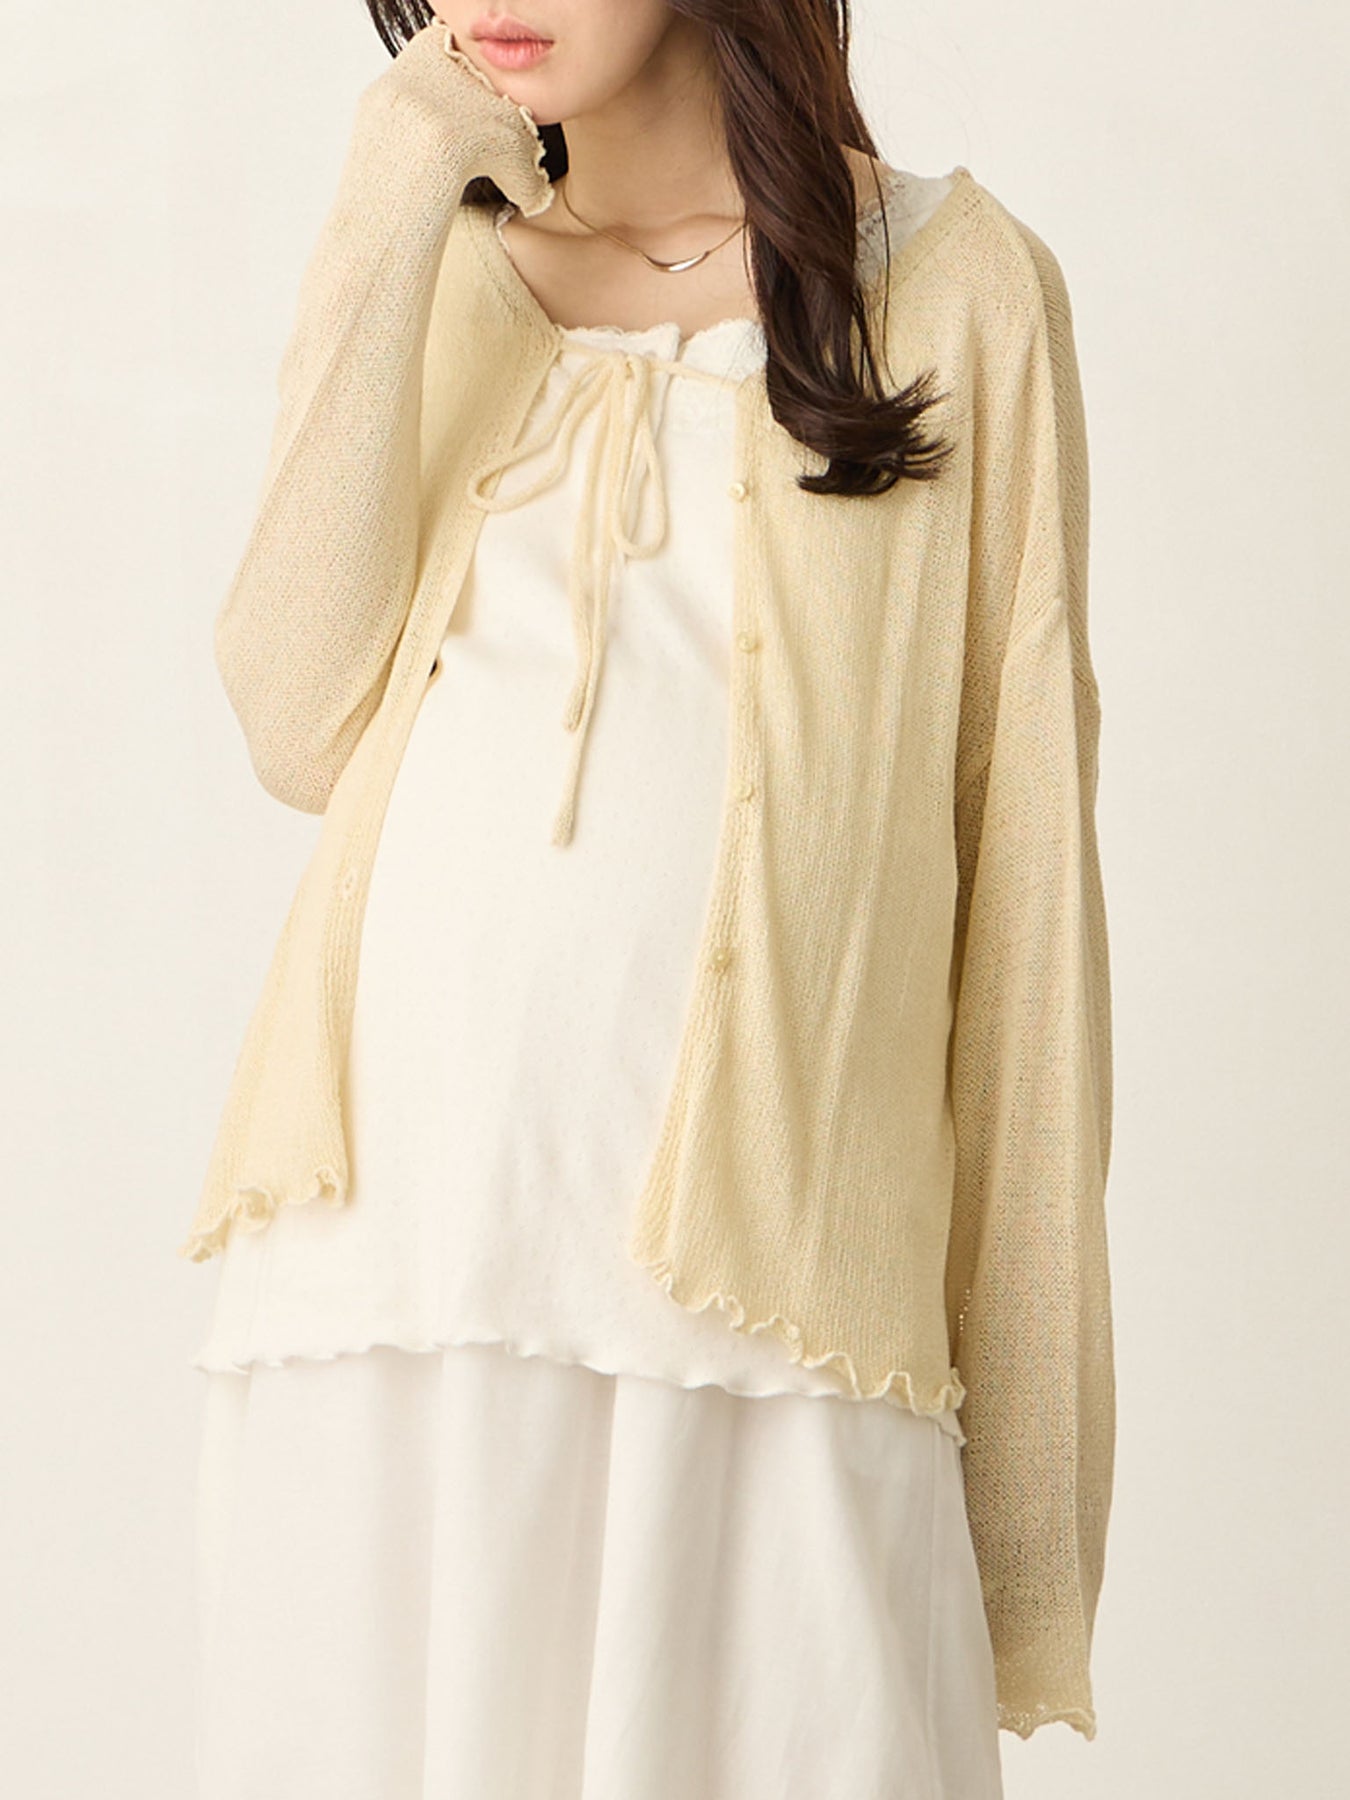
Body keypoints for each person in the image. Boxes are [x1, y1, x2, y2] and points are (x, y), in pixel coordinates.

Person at [184, 4, 1114, 1795]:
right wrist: (392, 185)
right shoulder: (437, 258)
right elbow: (293, 719)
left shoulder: (955, 286)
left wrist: (1023, 1514)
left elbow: (1022, 921)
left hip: (777, 1312)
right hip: (389, 1278)